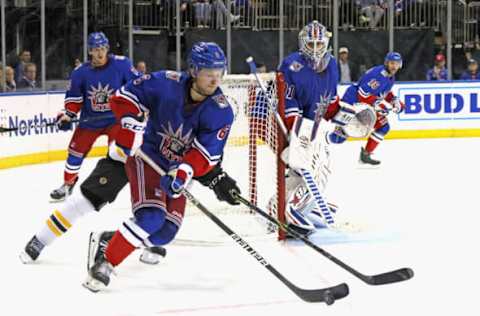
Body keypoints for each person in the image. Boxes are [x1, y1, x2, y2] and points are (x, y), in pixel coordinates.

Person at [83, 42, 241, 292]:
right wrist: (130, 123)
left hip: (175, 170)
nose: (215, 80)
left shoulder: (221, 111)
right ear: (193, 70)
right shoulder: (165, 83)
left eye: (219, 72)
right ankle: (105, 263)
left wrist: (183, 172)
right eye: (209, 73)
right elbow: (124, 98)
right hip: (148, 158)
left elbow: (207, 155)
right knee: (151, 218)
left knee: (165, 233)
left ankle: (110, 240)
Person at [272, 21, 360, 236]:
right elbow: (288, 106)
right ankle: (292, 208)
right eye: (310, 44)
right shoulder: (292, 65)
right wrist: (297, 136)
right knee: (314, 164)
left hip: (311, 127)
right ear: (302, 43)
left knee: (316, 166)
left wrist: (341, 121)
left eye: (319, 43)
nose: (315, 48)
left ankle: (289, 202)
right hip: (288, 126)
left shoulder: (331, 66)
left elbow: (328, 103)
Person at [50, 32, 140, 201]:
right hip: (90, 121)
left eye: (103, 48)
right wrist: (68, 115)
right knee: (74, 153)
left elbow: (137, 86)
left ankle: (114, 184)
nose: (100, 53)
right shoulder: (80, 73)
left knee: (118, 152)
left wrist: (140, 106)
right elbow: (74, 100)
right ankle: (68, 184)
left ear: (107, 49)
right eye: (96, 49)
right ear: (90, 51)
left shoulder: (122, 64)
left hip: (116, 120)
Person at [340, 52, 404, 165]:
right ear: (386, 63)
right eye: (392, 63)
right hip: (353, 101)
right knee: (339, 135)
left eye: (397, 64)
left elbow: (384, 92)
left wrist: (394, 100)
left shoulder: (390, 77)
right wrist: (379, 105)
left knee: (384, 127)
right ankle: (320, 150)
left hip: (366, 106)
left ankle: (365, 155)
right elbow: (362, 94)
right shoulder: (379, 75)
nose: (394, 66)